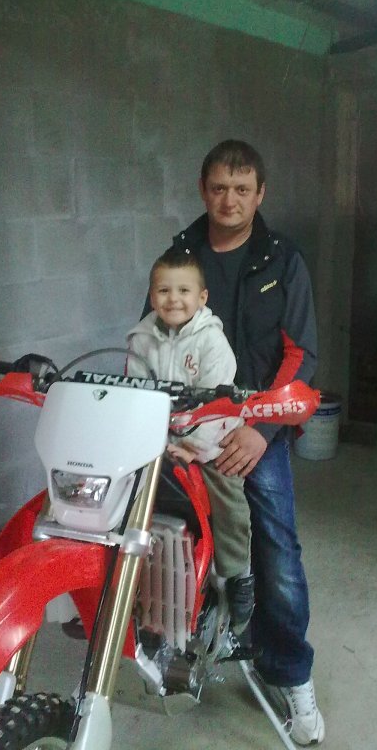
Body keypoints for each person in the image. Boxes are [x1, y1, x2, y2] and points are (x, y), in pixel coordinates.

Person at [165, 140, 324, 746]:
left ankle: (291, 673)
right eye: (218, 188)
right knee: (154, 532)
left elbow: (302, 354)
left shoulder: (283, 260)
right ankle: (177, 641)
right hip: (188, 427)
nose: (228, 200)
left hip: (257, 427)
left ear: (260, 195)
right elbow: (155, 333)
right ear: (202, 190)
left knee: (277, 552)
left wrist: (263, 430)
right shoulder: (181, 254)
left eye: (241, 189)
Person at [127, 248, 255, 635]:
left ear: (202, 297)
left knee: (228, 496)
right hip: (161, 440)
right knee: (122, 489)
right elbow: (135, 393)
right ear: (152, 296)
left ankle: (237, 573)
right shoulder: (141, 339)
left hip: (210, 440)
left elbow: (216, 405)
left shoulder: (211, 341)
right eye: (164, 290)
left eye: (183, 291)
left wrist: (193, 447)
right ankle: (124, 572)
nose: (173, 299)